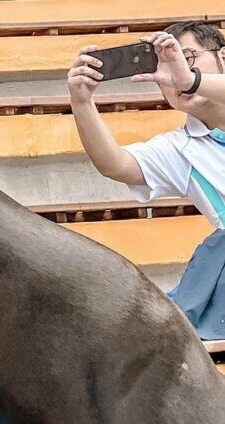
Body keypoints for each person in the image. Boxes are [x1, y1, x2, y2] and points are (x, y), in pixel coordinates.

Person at [68, 21, 225, 338]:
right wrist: (82, 102)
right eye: (165, 67)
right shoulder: (181, 149)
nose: (176, 73)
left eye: (188, 57)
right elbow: (115, 164)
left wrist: (192, 80)